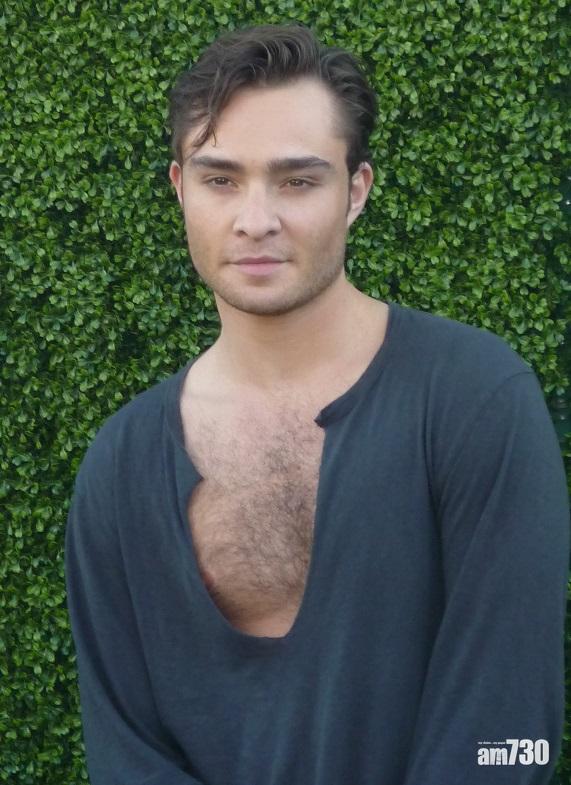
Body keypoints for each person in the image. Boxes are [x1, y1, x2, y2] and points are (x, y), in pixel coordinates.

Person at [65, 22, 569, 785]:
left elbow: (505, 735)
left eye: (297, 180)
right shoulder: (120, 464)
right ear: (179, 188)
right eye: (220, 179)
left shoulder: (474, 400)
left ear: (355, 191)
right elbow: (124, 751)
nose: (255, 219)